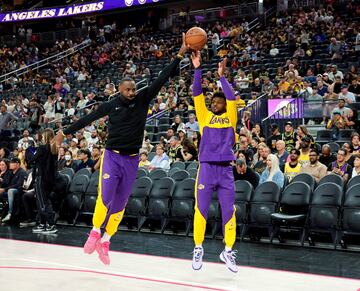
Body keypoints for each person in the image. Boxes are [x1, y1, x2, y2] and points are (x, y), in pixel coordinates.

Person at [54, 33, 188, 265]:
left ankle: (105, 241)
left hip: (132, 159)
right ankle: (95, 231)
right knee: (105, 198)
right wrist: (64, 132)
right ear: (120, 90)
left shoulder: (143, 98)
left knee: (120, 204)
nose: (132, 92)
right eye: (128, 90)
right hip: (113, 157)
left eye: (134, 89)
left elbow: (162, 77)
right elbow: (87, 119)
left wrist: (180, 53)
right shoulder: (111, 105)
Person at [191, 52, 238, 273]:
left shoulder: (232, 116)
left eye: (220, 101)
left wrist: (221, 77)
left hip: (226, 170)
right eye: (213, 101)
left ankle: (227, 251)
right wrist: (198, 69)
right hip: (207, 169)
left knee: (229, 211)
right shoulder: (204, 116)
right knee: (200, 210)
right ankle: (198, 247)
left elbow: (231, 97)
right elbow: (197, 93)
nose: (216, 102)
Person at [27, 129, 59, 234]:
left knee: (42, 202)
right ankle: (43, 223)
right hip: (50, 178)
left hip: (41, 177)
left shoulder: (42, 148)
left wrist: (30, 149)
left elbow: (31, 159)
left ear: (44, 136)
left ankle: (51, 224)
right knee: (43, 201)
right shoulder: (54, 148)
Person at [0, 157, 27, 223]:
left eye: (12, 163)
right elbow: (8, 183)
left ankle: (10, 212)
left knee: (10, 191)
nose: (10, 164)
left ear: (17, 164)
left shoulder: (21, 172)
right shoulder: (12, 172)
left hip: (20, 191)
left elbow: (19, 184)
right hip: (11, 190)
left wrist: (4, 189)